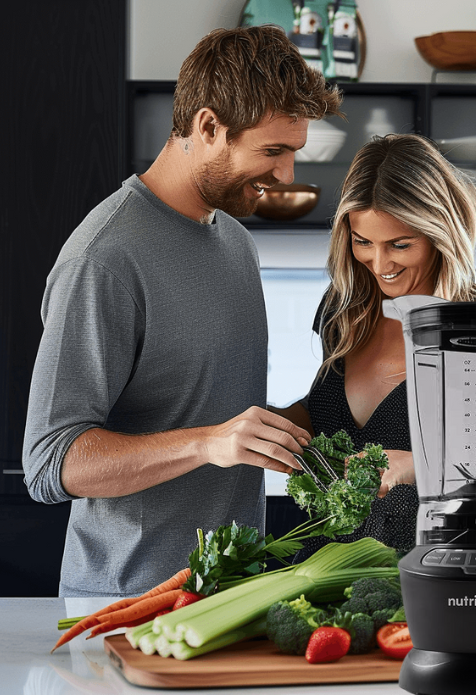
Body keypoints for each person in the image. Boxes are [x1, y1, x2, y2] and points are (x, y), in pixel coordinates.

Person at [22, 26, 343, 597]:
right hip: (126, 601)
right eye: (272, 151)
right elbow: (51, 464)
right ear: (208, 126)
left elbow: (205, 413)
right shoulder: (105, 257)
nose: (287, 175)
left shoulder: (235, 240)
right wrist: (208, 444)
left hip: (228, 593)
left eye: (294, 152)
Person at [272, 133, 476, 559]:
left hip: (431, 572)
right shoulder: (345, 308)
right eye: (363, 242)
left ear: (440, 233)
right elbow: (325, 411)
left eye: (400, 245)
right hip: (323, 572)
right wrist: (275, 423)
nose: (380, 265)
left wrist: (413, 466)